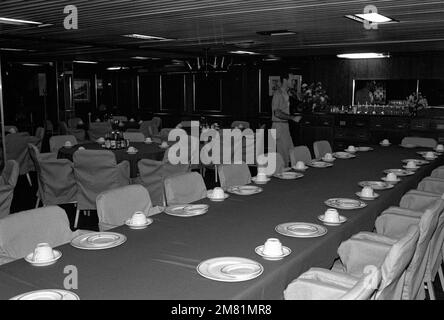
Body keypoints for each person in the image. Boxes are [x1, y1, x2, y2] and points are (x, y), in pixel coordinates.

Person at [272, 73, 302, 166]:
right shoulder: (278, 94)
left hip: (285, 126)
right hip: (279, 126)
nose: (294, 82)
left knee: (290, 155)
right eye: (292, 80)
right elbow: (276, 113)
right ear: (285, 80)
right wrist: (292, 118)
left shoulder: (287, 93)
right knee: (283, 157)